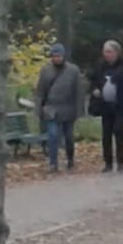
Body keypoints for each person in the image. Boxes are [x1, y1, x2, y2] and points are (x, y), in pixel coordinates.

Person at [88, 40, 123, 173]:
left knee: (118, 130)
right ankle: (108, 162)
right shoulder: (100, 66)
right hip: (105, 105)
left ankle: (120, 161)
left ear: (116, 52)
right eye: (105, 51)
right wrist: (95, 89)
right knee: (106, 134)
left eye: (109, 51)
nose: (106, 54)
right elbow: (93, 80)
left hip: (121, 106)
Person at [34, 43, 81, 172]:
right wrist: (38, 109)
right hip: (51, 108)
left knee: (68, 137)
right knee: (53, 135)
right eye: (54, 56)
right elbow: (40, 91)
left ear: (63, 56)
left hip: (68, 108)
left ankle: (70, 159)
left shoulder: (73, 71)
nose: (56, 58)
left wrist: (78, 111)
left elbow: (78, 92)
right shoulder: (46, 71)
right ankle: (53, 163)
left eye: (59, 56)